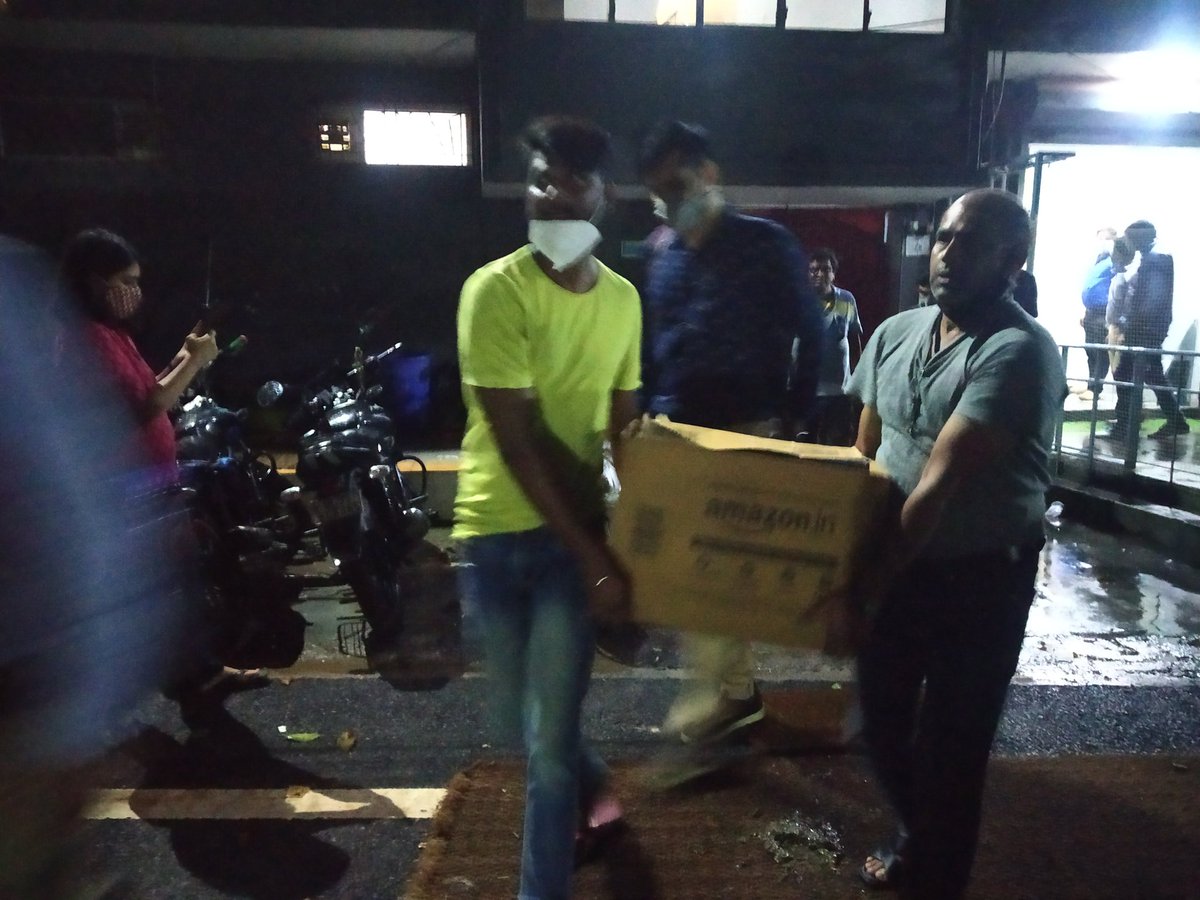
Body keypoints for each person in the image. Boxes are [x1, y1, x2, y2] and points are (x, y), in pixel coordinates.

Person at [848, 189, 1066, 898]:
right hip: (900, 565)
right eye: (943, 238)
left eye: (969, 243)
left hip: (980, 581)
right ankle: (919, 835)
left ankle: (936, 877)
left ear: (1013, 260)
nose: (947, 254)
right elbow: (864, 453)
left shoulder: (1018, 351)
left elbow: (936, 487)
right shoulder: (895, 332)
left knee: (952, 750)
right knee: (879, 725)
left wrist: (869, 585)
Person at [453, 116, 641, 900]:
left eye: (574, 181)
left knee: (548, 747)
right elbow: (519, 440)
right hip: (496, 533)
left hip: (570, 545)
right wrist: (599, 556)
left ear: (604, 196)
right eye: (541, 180)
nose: (556, 196)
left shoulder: (624, 301)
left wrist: (638, 541)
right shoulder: (494, 291)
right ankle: (597, 792)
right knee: (528, 719)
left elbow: (626, 427)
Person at [638, 120, 823, 744]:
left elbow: (811, 332)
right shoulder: (662, 253)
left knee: (722, 572)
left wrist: (793, 419)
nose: (668, 202)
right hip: (676, 432)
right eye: (658, 192)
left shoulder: (765, 244)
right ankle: (735, 694)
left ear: (709, 174)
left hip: (747, 427)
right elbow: (654, 345)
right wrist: (646, 415)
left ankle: (715, 695)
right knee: (688, 569)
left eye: (677, 185)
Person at [1109, 220, 1189, 441]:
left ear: (1138, 238)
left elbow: (1149, 302)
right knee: (1151, 376)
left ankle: (1125, 427)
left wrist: (1127, 323)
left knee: (1125, 375)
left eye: (1129, 238)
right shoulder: (1155, 259)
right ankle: (1173, 421)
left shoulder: (1154, 261)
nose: (1127, 243)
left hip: (1143, 331)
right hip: (1147, 330)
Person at [807, 247, 863, 445]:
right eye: (814, 270)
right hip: (806, 391)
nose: (819, 274)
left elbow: (855, 339)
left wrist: (858, 379)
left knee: (837, 445)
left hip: (840, 392)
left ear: (833, 273)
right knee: (804, 445)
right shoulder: (800, 301)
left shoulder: (847, 300)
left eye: (825, 269)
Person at [1080, 240, 1117, 402]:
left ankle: (1095, 388)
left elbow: (1118, 291)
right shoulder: (1100, 263)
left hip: (1103, 314)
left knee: (1100, 352)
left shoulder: (1114, 264)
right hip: (1091, 313)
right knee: (1090, 351)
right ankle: (1091, 384)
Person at [1104, 236, 1136, 378]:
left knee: (1118, 370)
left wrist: (1122, 331)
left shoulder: (1126, 276)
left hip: (1118, 327)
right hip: (1112, 326)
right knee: (1114, 370)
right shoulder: (1118, 274)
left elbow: (1127, 305)